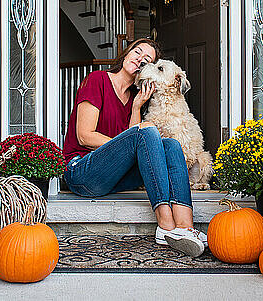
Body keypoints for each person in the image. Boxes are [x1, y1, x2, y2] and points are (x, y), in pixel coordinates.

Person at [62, 38, 207, 257]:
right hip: (82, 171)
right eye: (137, 52)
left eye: (147, 58)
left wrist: (137, 106)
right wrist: (132, 139)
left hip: (111, 177)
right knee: (147, 132)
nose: (140, 58)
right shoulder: (97, 80)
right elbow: (84, 136)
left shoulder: (135, 99)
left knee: (171, 146)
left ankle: (185, 227)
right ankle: (166, 225)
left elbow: (135, 147)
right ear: (127, 53)